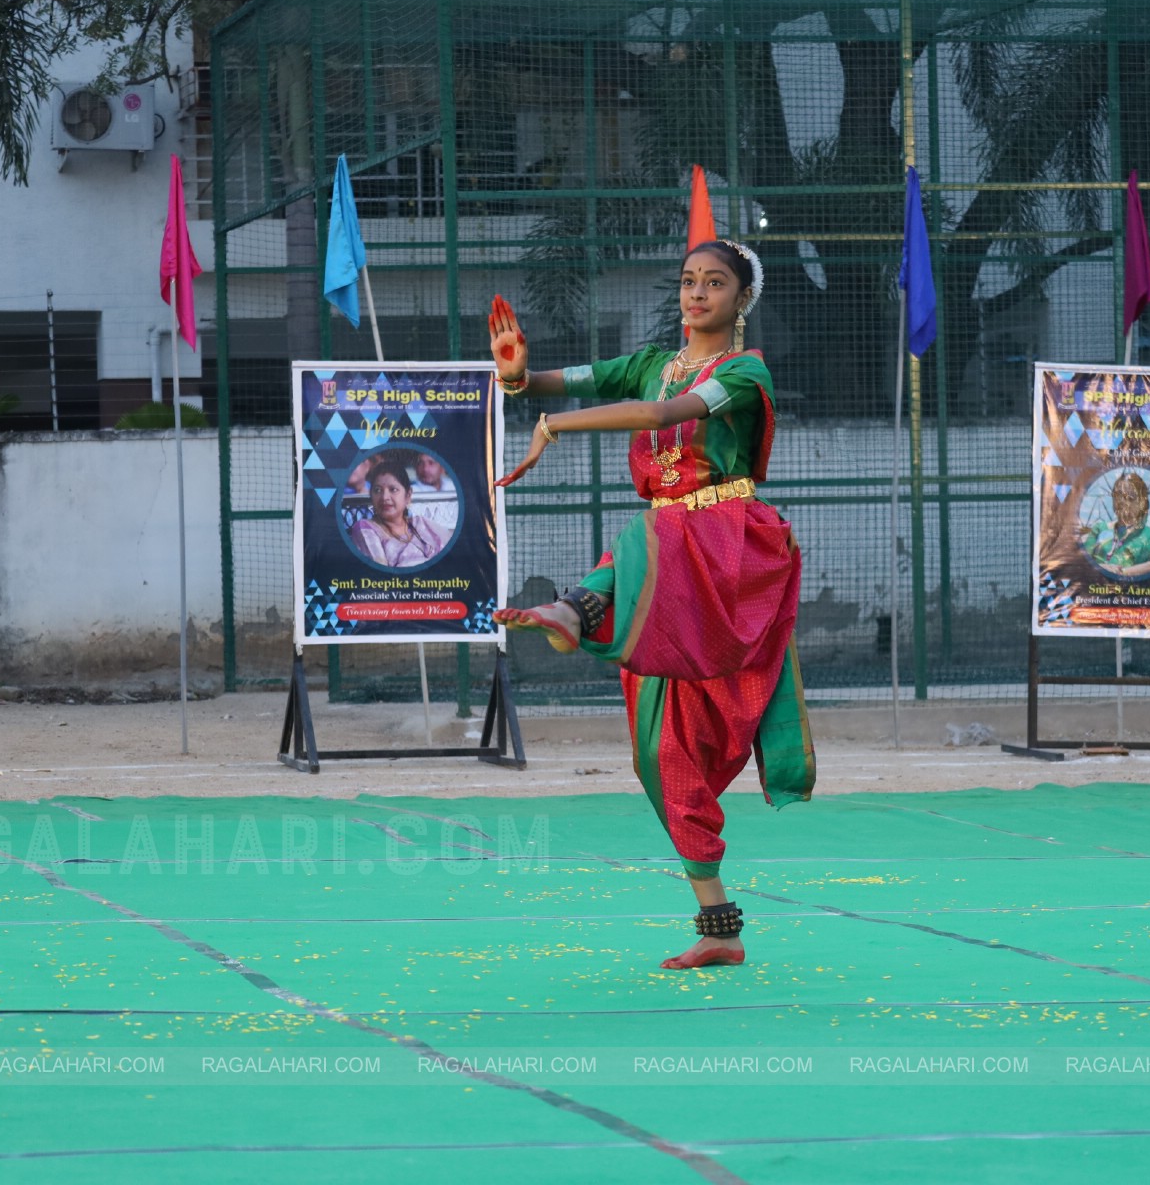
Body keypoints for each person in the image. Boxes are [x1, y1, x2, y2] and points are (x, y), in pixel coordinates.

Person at [488, 239, 815, 971]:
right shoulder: (647, 359)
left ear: (742, 298)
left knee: (655, 527)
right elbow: (566, 380)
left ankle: (575, 610)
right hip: (668, 564)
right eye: (688, 281)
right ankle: (719, 926)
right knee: (659, 753)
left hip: (728, 549)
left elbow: (666, 412)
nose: (696, 294)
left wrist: (560, 427)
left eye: (715, 283)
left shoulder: (742, 370)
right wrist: (518, 379)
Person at [349, 455, 451, 569]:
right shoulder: (365, 529)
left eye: (393, 489)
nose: (384, 497)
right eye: (377, 490)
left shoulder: (421, 524)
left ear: (408, 495)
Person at [1081, 470, 1150, 577]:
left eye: (1130, 498)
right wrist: (1102, 568)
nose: (1123, 502)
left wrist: (1121, 572)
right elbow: (1083, 563)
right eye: (1118, 496)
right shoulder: (1100, 528)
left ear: (1142, 501)